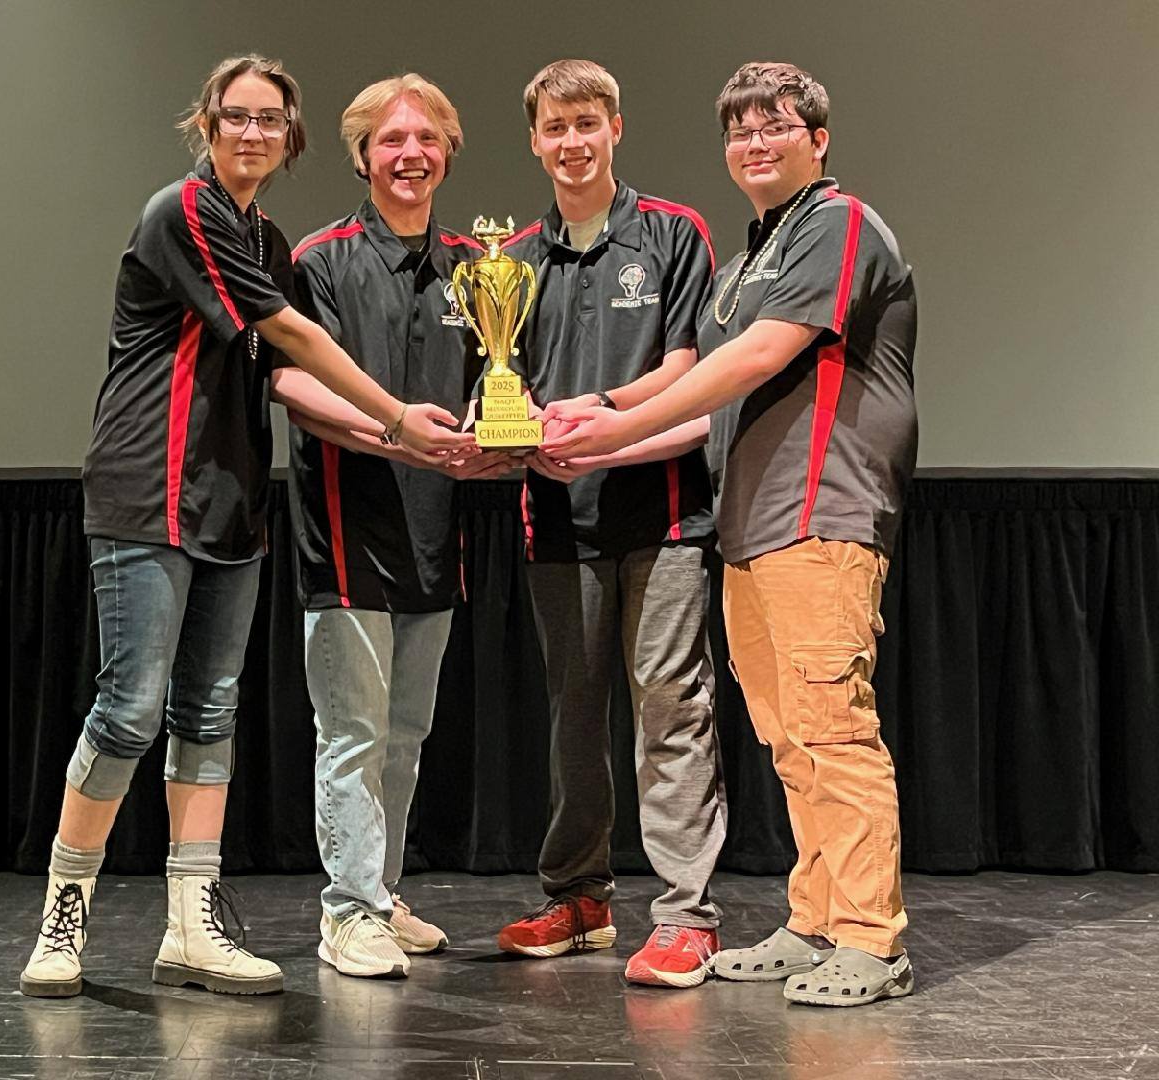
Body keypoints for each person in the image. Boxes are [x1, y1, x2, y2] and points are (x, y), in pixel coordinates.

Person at [19, 54, 470, 1000]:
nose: (254, 133)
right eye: (238, 116)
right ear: (208, 125)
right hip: (147, 489)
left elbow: (282, 376)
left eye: (271, 119)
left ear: (290, 136)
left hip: (231, 501)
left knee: (208, 713)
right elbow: (293, 339)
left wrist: (421, 440)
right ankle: (64, 917)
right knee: (129, 710)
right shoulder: (185, 210)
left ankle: (192, 924)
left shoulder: (265, 238)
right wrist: (397, 419)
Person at [545, 61, 918, 1007]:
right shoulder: (746, 265)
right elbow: (696, 400)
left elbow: (760, 356)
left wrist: (612, 430)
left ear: (817, 140)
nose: (756, 142)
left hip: (822, 513)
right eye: (741, 130)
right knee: (789, 738)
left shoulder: (837, 223)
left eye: (776, 126)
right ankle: (816, 921)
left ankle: (871, 939)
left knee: (833, 729)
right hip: (750, 529)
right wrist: (595, 421)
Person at [493, 59, 726, 990]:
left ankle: (686, 916)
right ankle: (580, 898)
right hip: (557, 519)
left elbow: (688, 368)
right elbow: (503, 383)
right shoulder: (510, 261)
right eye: (555, 127)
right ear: (535, 140)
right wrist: (520, 427)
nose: (572, 142)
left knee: (671, 708)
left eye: (587, 123)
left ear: (616, 128)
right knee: (574, 717)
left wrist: (600, 414)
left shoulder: (673, 232)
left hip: (663, 516)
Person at [273, 74, 511, 980]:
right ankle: (348, 911)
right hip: (346, 534)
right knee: (354, 734)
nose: (410, 154)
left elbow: (497, 378)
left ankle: (380, 891)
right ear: (363, 156)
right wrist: (398, 434)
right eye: (390, 140)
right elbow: (294, 386)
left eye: (427, 138)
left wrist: (496, 431)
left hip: (436, 531)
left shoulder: (478, 266)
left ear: (448, 151)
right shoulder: (321, 258)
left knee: (405, 734)